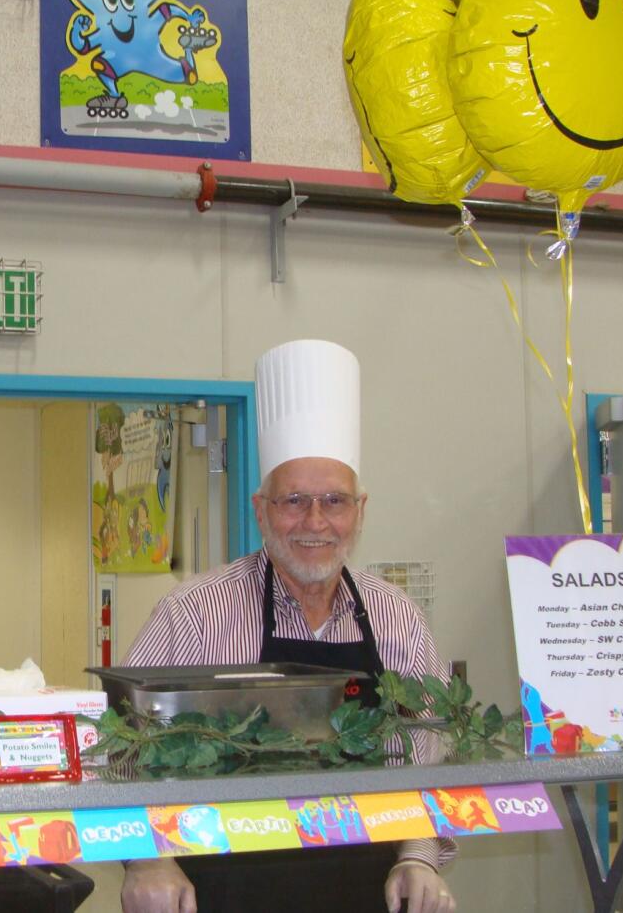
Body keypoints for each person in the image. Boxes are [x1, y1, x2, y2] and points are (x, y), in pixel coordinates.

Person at [120, 339, 456, 913]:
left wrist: (418, 857)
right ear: (260, 509)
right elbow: (119, 748)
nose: (316, 522)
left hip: (368, 888)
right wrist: (151, 859)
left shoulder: (398, 617)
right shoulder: (195, 612)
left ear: (361, 510)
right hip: (227, 890)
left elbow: (433, 750)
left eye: (335, 501)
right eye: (294, 500)